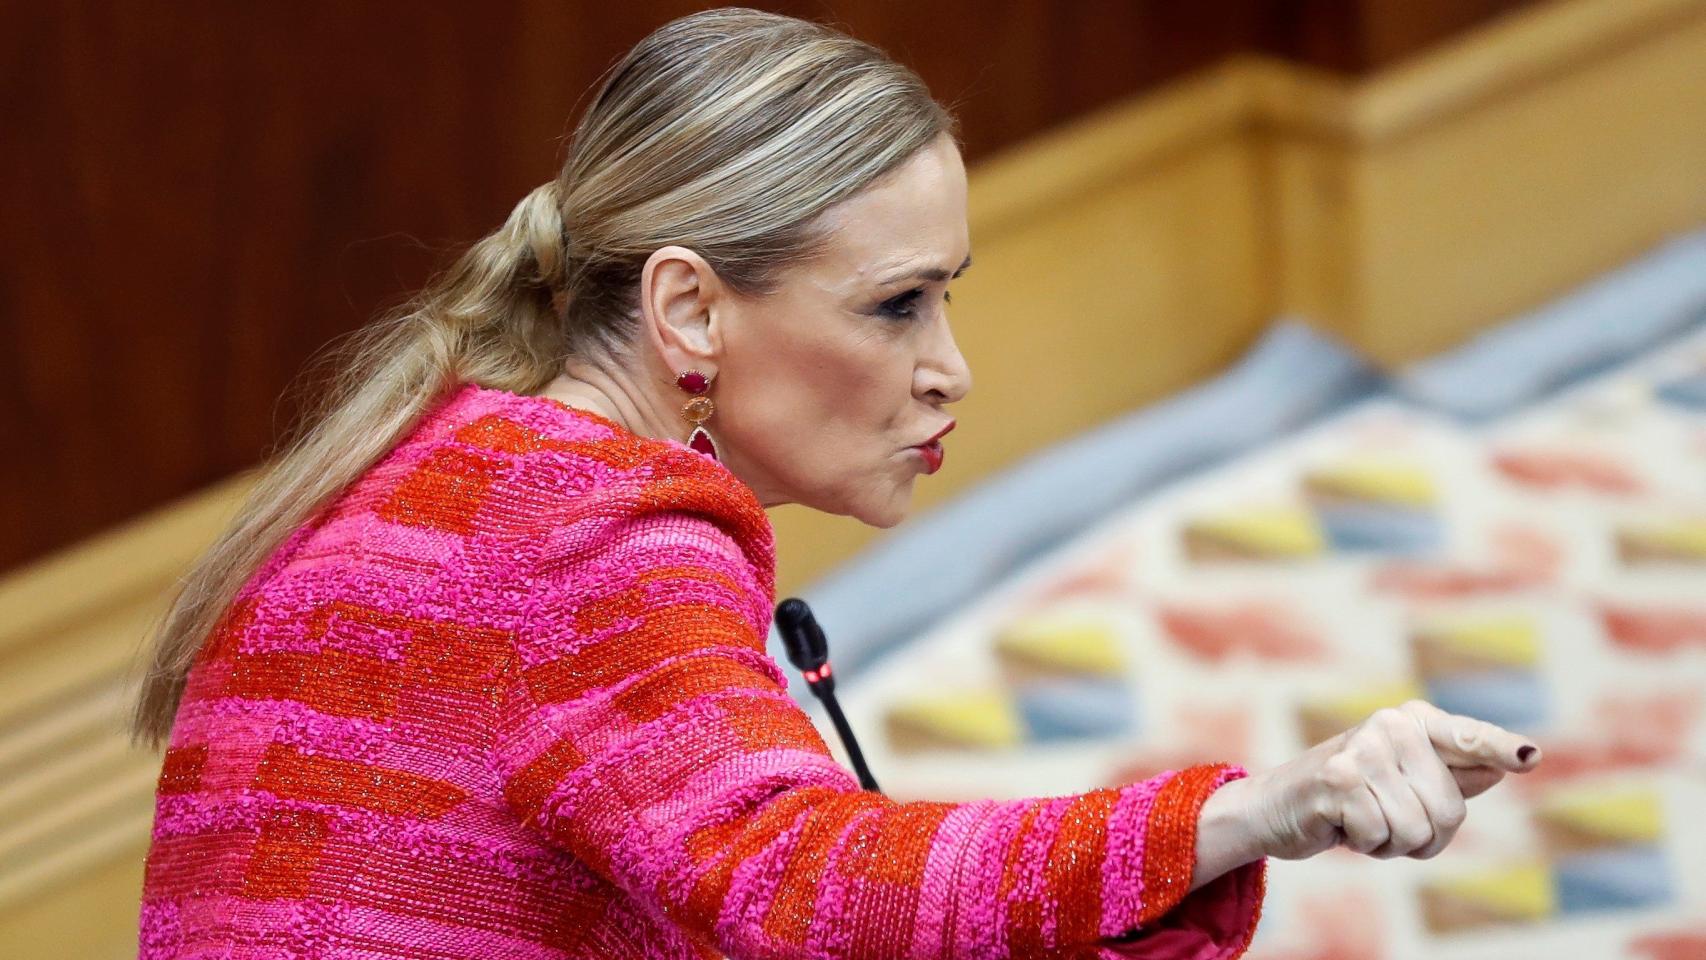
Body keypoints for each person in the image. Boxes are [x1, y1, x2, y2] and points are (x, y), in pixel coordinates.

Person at [129, 8, 1541, 959]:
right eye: (894, 307)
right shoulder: (600, 540)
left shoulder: (470, 465)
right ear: (687, 312)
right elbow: (805, 890)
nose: (948, 371)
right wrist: (1256, 809)